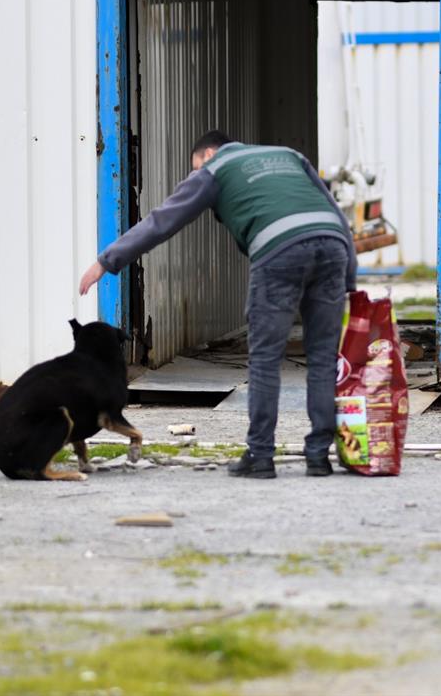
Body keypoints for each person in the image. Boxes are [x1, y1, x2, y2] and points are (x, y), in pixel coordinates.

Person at [79, 131, 357, 479]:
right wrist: (350, 278)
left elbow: (163, 220)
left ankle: (260, 455)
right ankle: (319, 456)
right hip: (332, 245)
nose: (195, 177)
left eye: (195, 169)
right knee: (322, 356)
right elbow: (335, 212)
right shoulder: (288, 153)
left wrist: (107, 261)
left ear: (208, 154)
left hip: (279, 249)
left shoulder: (214, 168)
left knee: (266, 358)